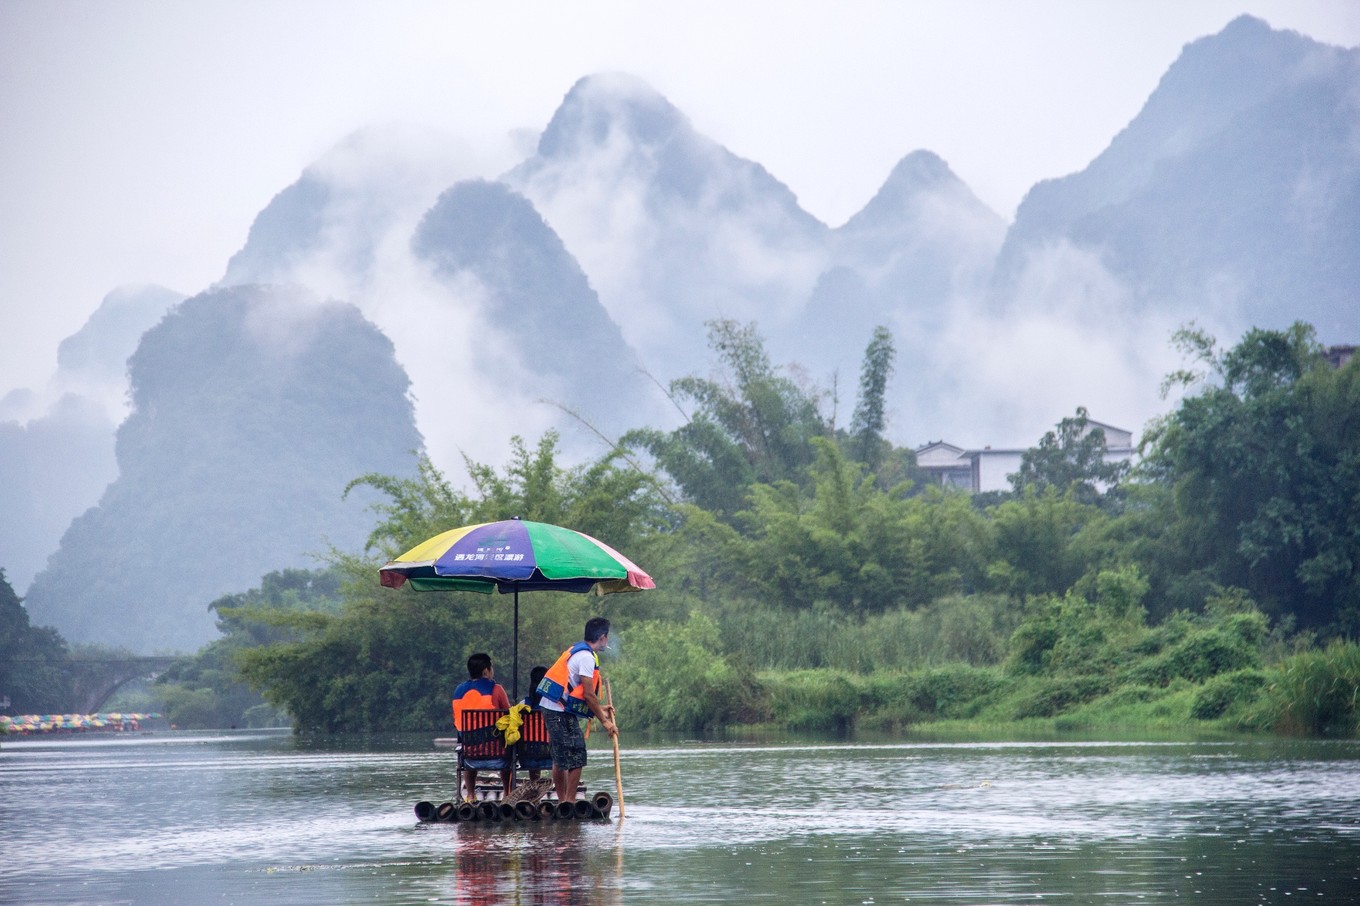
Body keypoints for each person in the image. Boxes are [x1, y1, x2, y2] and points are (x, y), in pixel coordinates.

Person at [536, 617, 617, 803]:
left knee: (561, 757)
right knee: (576, 755)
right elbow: (589, 695)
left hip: (556, 708)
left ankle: (565, 800)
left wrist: (601, 708)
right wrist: (605, 721)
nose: (608, 641)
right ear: (602, 637)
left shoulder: (578, 650)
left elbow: (582, 695)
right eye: (607, 637)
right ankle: (569, 801)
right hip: (558, 711)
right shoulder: (587, 657)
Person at [451, 652, 511, 801]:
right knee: (509, 744)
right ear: (486, 671)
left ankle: (470, 795)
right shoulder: (497, 689)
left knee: (470, 744)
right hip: (498, 755)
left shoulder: (458, 692)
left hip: (469, 756)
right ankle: (507, 793)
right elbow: (509, 716)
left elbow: (456, 721)